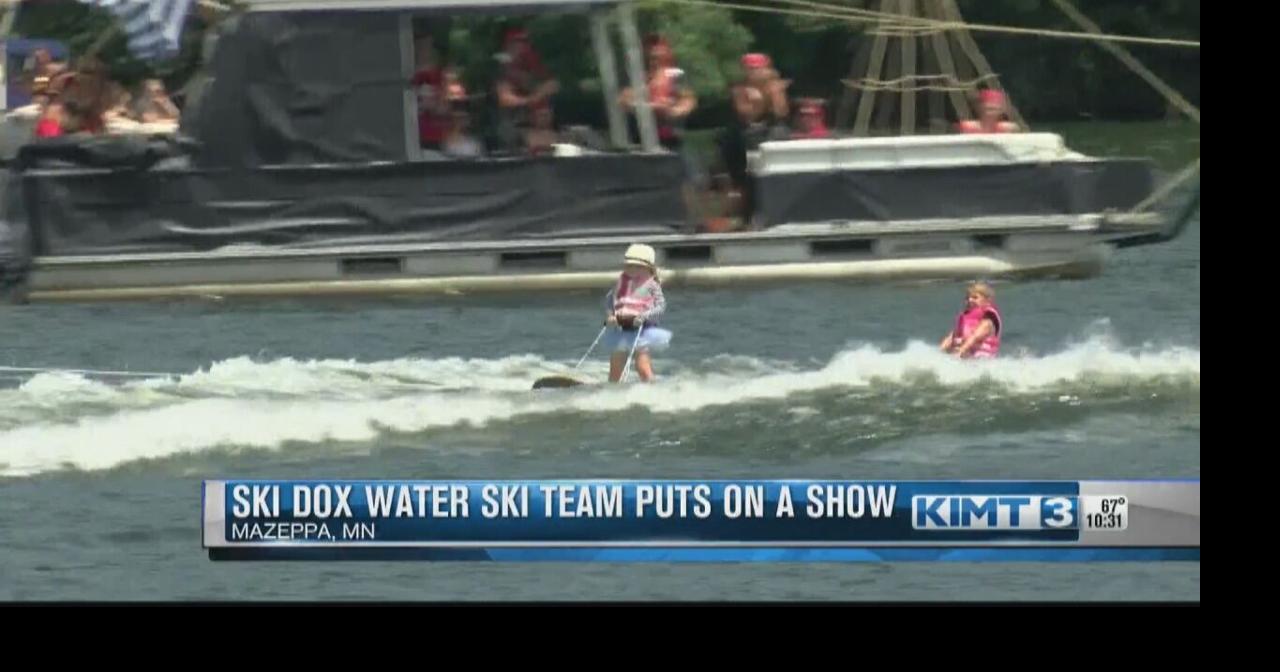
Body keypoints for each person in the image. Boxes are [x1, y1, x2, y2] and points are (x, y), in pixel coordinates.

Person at [603, 244, 673, 383]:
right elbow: (610, 300)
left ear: (649, 268)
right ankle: (613, 391)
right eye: (629, 266)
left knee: (642, 367)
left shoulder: (652, 285)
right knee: (615, 369)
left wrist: (644, 316)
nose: (633, 270)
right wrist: (610, 316)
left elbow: (660, 306)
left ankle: (652, 387)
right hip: (621, 331)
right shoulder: (621, 282)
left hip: (641, 332)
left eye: (639, 267)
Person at [620, 34, 697, 151]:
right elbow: (624, 100)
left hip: (671, 138)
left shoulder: (676, 73)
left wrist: (672, 111)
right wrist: (645, 105)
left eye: (659, 54)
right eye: (652, 56)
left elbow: (688, 101)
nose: (655, 58)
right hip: (640, 137)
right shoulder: (637, 76)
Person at [495, 27, 559, 152]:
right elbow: (505, 99)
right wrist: (532, 99)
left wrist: (539, 96)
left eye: (524, 42)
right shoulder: (502, 68)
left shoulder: (533, 63)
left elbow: (553, 85)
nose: (522, 46)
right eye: (518, 42)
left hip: (540, 122)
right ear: (509, 45)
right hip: (513, 124)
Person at [941, 282, 1003, 359]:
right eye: (967, 298)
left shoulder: (988, 322)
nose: (970, 300)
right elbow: (952, 337)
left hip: (982, 358)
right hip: (967, 356)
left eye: (975, 297)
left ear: (987, 300)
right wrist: (940, 351)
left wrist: (961, 351)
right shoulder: (964, 319)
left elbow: (975, 337)